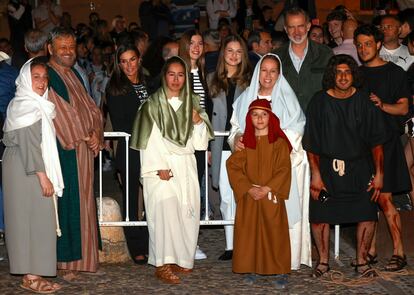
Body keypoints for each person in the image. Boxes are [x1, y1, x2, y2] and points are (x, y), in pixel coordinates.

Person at [303, 54, 388, 278]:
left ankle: (361, 261)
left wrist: (379, 174)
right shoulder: (319, 102)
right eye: (339, 72)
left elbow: (377, 142)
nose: (343, 76)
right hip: (327, 169)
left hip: (359, 168)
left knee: (367, 213)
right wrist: (316, 175)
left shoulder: (364, 102)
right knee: (320, 216)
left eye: (347, 72)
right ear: (332, 75)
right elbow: (311, 142)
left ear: (353, 75)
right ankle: (322, 262)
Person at [130, 56, 213, 284]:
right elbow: (149, 140)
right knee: (164, 213)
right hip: (162, 167)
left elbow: (199, 144)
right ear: (164, 76)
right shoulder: (152, 105)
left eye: (180, 75)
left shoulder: (192, 102)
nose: (176, 79)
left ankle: (181, 259)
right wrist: (158, 167)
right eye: (171, 74)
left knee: (186, 213)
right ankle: (163, 264)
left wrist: (198, 123)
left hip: (185, 165)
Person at [229, 53, 312, 270]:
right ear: (258, 72)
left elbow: (297, 128)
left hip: (281, 164)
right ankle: (254, 261)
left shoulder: (287, 97)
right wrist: (237, 138)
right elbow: (236, 127)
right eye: (264, 70)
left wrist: (273, 141)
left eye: (273, 71)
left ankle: (285, 261)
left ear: (279, 73)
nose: (268, 75)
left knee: (279, 215)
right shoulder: (246, 97)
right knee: (254, 214)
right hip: (253, 163)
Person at [3, 57, 64, 293]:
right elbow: (29, 143)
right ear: (26, 79)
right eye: (35, 77)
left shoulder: (37, 104)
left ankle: (34, 273)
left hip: (26, 165)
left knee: (36, 220)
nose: (41, 82)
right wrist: (42, 176)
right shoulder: (26, 106)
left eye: (44, 77)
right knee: (29, 220)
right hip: (25, 168)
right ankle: (30, 276)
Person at [47, 27, 103, 280]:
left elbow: (92, 107)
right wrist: (84, 135)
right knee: (67, 204)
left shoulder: (74, 75)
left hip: (83, 149)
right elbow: (59, 112)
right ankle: (66, 263)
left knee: (83, 204)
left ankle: (82, 260)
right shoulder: (47, 75)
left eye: (71, 47)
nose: (69, 52)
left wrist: (96, 134)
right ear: (50, 49)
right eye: (63, 48)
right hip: (64, 149)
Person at [355, 24, 411, 271]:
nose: (363, 48)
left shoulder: (395, 73)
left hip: (386, 143)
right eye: (359, 44)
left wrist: (381, 105)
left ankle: (399, 251)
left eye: (368, 43)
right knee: (370, 198)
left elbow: (403, 109)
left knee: (386, 198)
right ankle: (372, 250)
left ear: (378, 44)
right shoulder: (355, 74)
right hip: (361, 146)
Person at [227, 99, 292, 289]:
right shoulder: (246, 143)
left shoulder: (279, 143)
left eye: (263, 114)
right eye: (255, 114)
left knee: (274, 231)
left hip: (271, 195)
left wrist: (267, 188)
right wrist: (249, 188)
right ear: (249, 119)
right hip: (250, 195)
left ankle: (280, 270)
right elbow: (233, 166)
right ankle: (252, 267)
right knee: (250, 232)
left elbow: (283, 169)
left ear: (270, 117)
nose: (260, 118)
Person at [208, 35, 251, 261]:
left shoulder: (250, 82)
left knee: (243, 194)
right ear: (223, 53)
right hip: (220, 145)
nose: (234, 56)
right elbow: (206, 116)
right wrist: (207, 147)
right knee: (226, 196)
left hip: (244, 145)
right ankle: (230, 245)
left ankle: (246, 243)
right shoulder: (212, 80)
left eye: (238, 52)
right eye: (230, 51)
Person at [106, 43, 149, 265]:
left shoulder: (149, 82)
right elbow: (122, 122)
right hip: (130, 146)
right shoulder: (115, 87)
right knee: (132, 199)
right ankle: (136, 245)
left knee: (153, 198)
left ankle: (153, 241)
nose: (128, 65)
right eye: (123, 61)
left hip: (153, 148)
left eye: (132, 59)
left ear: (139, 59)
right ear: (118, 63)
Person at [178, 30, 211, 260]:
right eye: (192, 43)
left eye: (200, 43)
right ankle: (181, 242)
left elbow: (205, 111)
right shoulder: (178, 72)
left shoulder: (201, 73)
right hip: (181, 142)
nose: (196, 47)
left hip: (199, 140)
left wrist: (207, 143)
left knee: (195, 192)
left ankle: (191, 241)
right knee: (182, 191)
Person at [274, 7, 333, 111]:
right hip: (287, 121)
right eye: (292, 27)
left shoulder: (325, 54)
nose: (297, 32)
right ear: (286, 29)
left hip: (318, 118)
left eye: (300, 26)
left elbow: (333, 88)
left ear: (308, 26)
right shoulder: (276, 57)